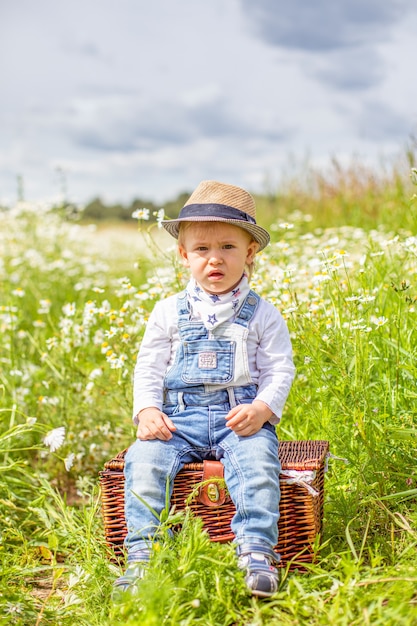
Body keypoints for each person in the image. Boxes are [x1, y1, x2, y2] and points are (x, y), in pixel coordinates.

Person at [114, 180, 295, 598]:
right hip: (178, 417)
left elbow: (279, 370)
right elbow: (149, 367)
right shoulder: (168, 311)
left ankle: (255, 552)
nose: (215, 259)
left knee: (258, 466)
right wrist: (146, 411)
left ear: (250, 253)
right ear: (184, 255)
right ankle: (144, 555)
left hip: (240, 417)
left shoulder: (263, 314)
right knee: (144, 461)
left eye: (228, 247)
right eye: (202, 249)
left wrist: (264, 409)